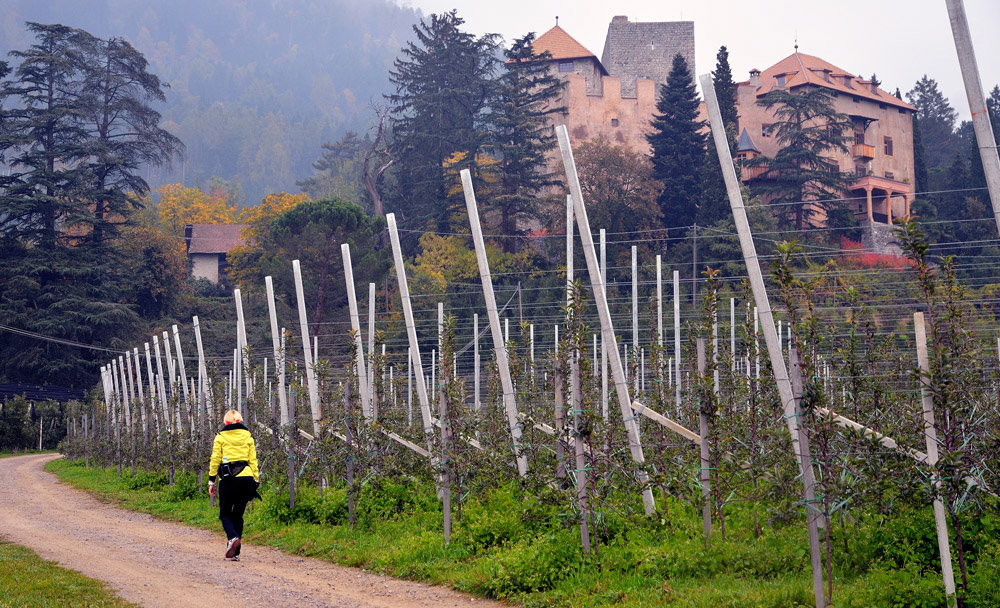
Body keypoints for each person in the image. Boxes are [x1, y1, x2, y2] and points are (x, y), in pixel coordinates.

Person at [208, 409, 259, 561]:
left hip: (228, 479)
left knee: (224, 513)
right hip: (247, 478)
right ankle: (236, 553)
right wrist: (256, 480)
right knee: (238, 515)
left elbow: (215, 459)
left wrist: (211, 480)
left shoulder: (220, 437)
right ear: (240, 421)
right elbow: (253, 460)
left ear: (226, 422)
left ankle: (232, 538)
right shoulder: (248, 437)